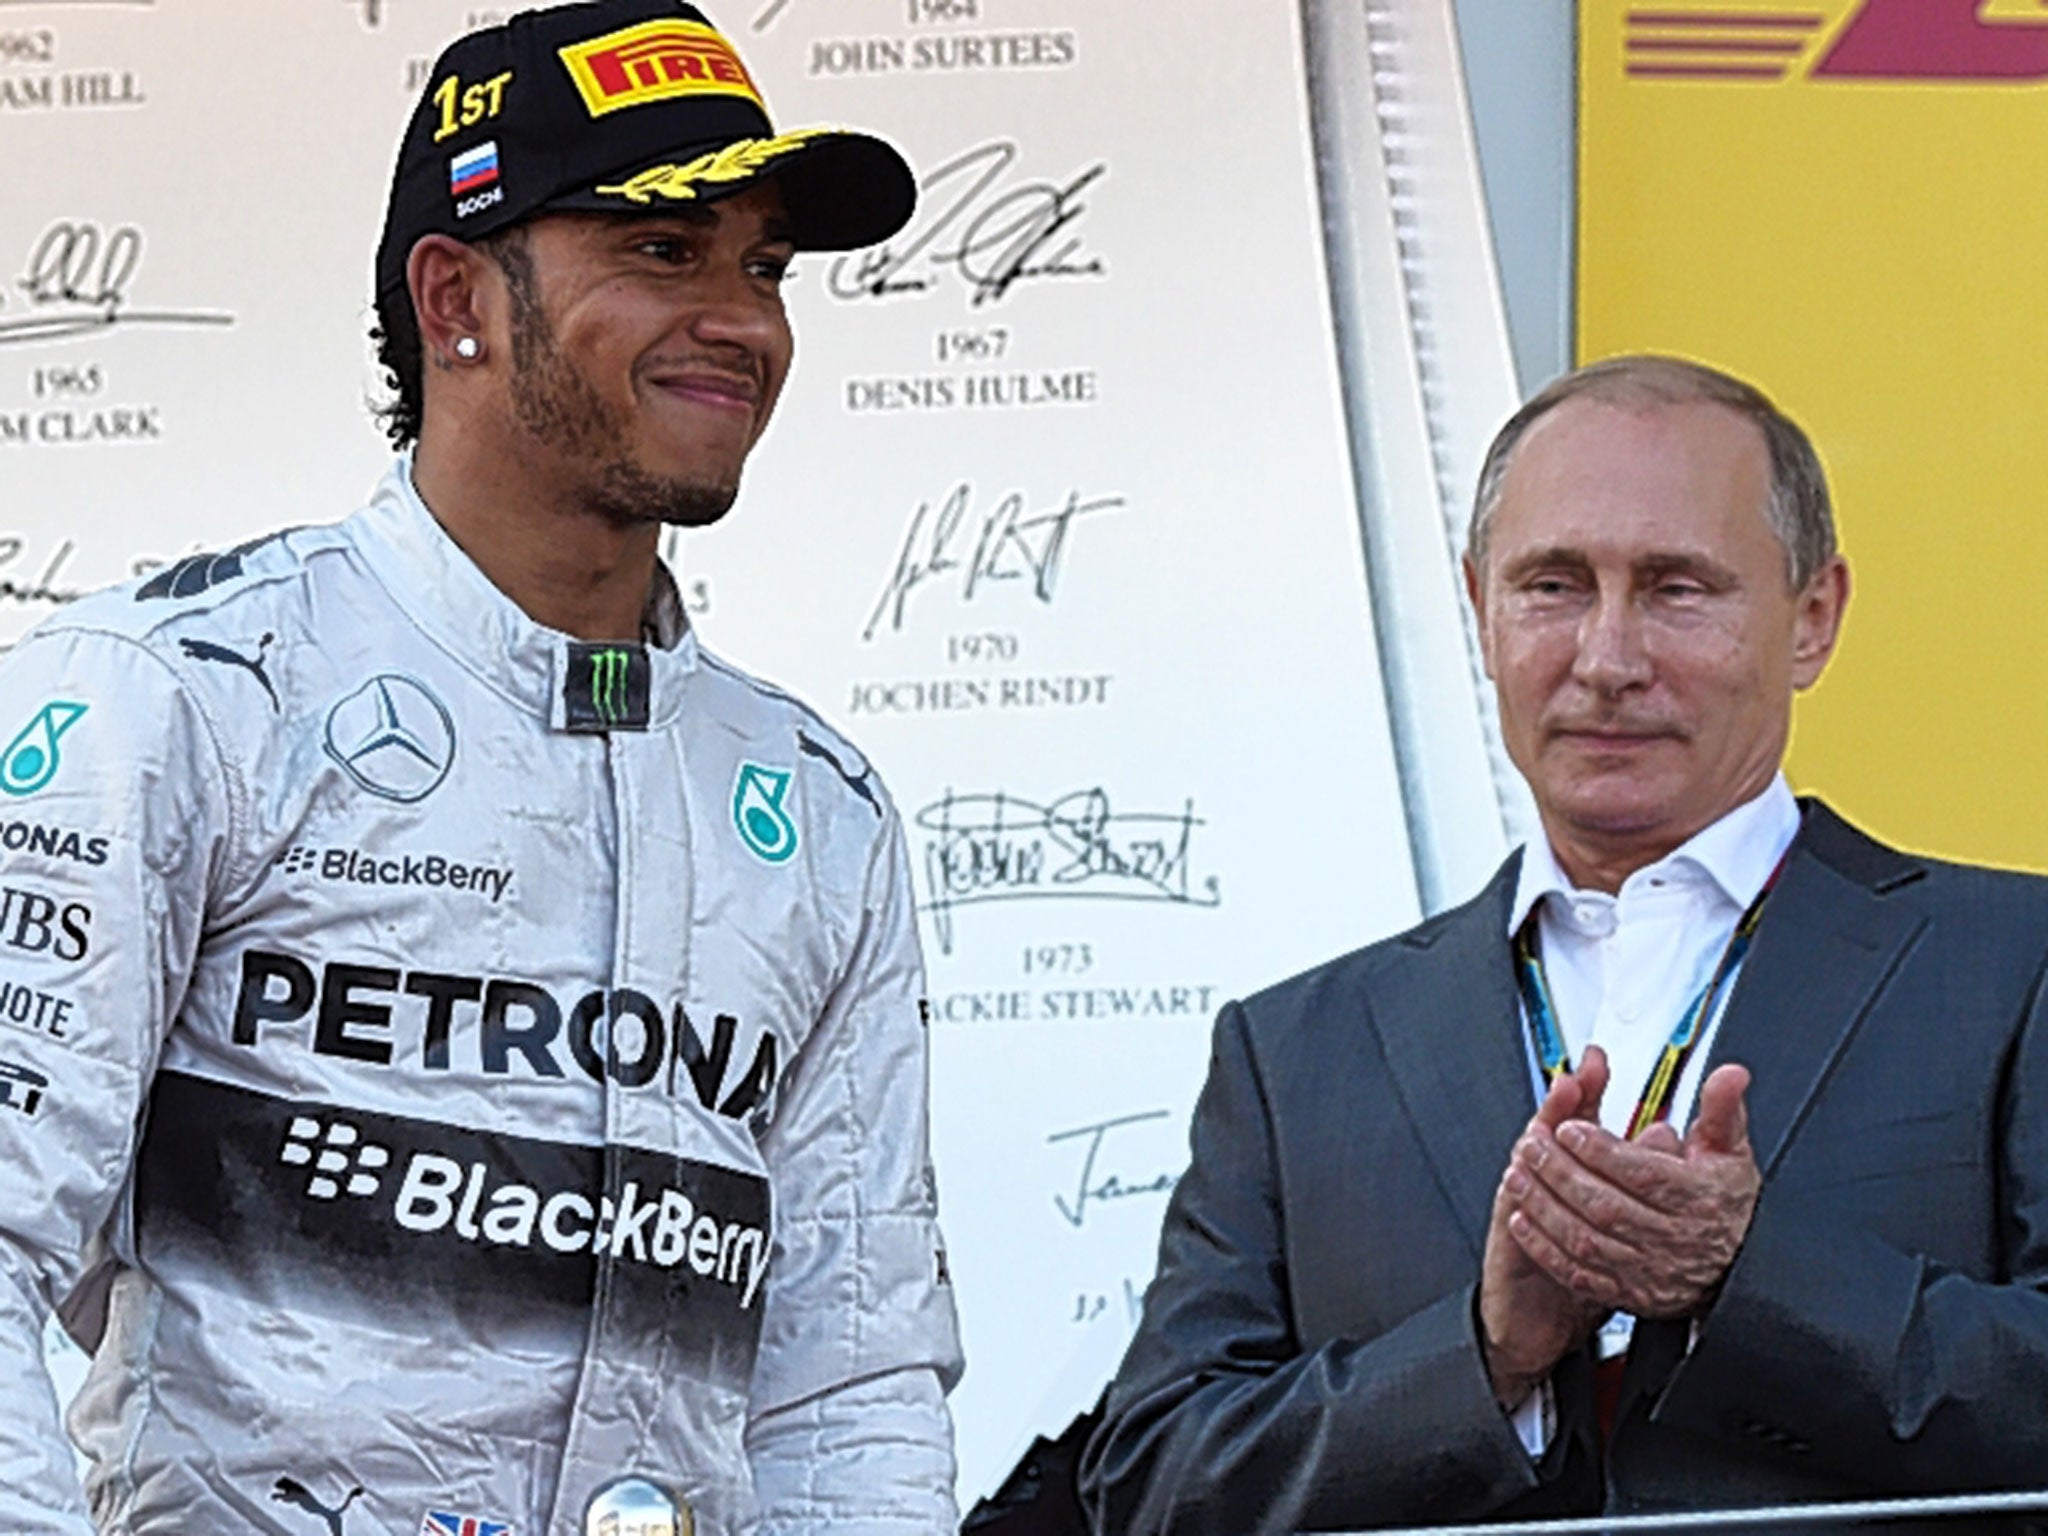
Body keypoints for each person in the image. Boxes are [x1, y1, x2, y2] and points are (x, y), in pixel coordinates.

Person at [0, 4, 961, 1532]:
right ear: (458, 297)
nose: (744, 320)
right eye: (664, 251)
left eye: (763, 266)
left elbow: (847, 1387)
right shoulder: (174, 698)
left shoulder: (819, 810)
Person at [1080, 355, 2048, 1534]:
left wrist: (1748, 1279)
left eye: (1676, 588)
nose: (1605, 657)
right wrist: (1486, 1354)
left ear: (1811, 618)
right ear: (1478, 611)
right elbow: (1153, 1483)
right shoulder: (1293, 1053)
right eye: (1552, 586)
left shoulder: (2012, 967)